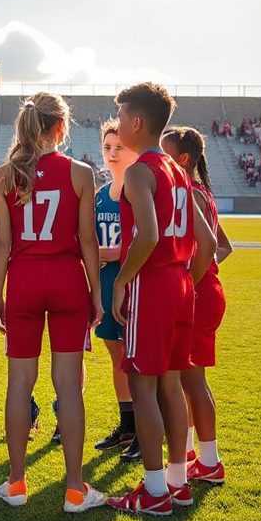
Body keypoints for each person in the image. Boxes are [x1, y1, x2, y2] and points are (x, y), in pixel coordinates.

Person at [0, 92, 105, 513]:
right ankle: (75, 489)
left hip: (23, 280)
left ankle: (16, 483)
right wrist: (95, 292)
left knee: (19, 383)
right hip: (66, 280)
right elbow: (87, 240)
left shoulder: (5, 174)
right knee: (68, 386)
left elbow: (2, 242)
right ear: (60, 127)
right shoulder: (79, 172)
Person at [106, 83, 216, 517]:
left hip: (151, 285)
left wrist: (121, 283)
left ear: (136, 122)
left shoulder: (139, 171)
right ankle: (177, 481)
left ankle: (153, 491)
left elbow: (148, 235)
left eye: (119, 117)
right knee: (171, 384)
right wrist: (182, 281)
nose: (116, 125)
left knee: (142, 386)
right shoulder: (177, 170)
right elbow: (205, 244)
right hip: (180, 285)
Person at [162, 127, 232, 484]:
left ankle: (209, 461)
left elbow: (208, 247)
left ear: (183, 159)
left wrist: (190, 280)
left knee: (192, 381)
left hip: (199, 297)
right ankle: (194, 454)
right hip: (206, 292)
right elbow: (226, 246)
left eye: (165, 152)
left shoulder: (189, 192)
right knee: (189, 381)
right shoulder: (198, 191)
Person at [93, 119, 141, 461]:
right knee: (115, 353)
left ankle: (142, 428)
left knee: (134, 358)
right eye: (108, 147)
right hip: (106, 285)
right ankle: (126, 424)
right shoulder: (100, 195)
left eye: (119, 147)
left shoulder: (137, 188)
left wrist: (107, 253)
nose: (112, 153)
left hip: (132, 284)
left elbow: (145, 239)